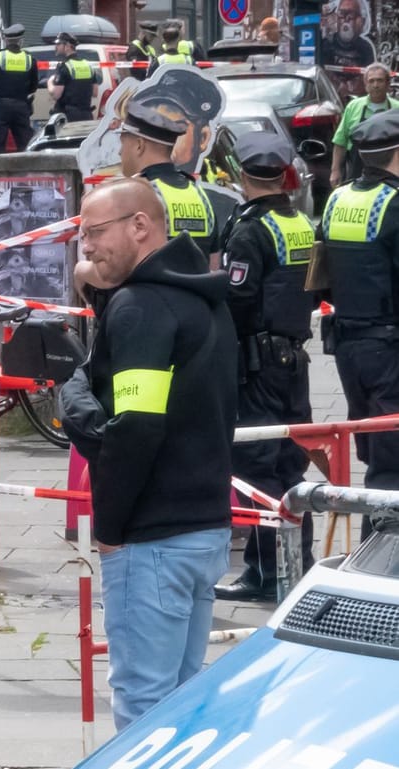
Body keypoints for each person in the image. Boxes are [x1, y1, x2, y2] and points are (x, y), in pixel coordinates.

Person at [60, 177, 235, 730]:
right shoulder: (203, 296)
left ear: (140, 226)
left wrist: (109, 526)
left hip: (152, 537)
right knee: (183, 708)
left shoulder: (140, 307)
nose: (85, 247)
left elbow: (135, 426)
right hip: (205, 528)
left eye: (93, 232)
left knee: (142, 710)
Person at [214, 134, 317, 603]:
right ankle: (301, 564)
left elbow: (237, 298)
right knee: (290, 462)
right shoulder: (297, 221)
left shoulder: (250, 229)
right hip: (294, 356)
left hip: (257, 362)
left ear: (241, 175)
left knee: (256, 465)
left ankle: (266, 573)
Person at [317, 111, 399, 543]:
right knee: (392, 463)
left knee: (373, 452)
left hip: (349, 346)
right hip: (389, 348)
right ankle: (380, 559)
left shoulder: (338, 199)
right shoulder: (396, 204)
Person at [117, 99, 230, 266]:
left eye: (123, 144)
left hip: (151, 291)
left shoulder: (136, 195)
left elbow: (118, 266)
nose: (120, 152)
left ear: (139, 145)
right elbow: (213, 265)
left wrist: (82, 272)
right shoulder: (200, 195)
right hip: (197, 292)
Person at [331, 64, 398, 187]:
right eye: (371, 81)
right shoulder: (353, 106)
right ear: (365, 84)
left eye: (380, 80)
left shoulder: (396, 108)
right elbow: (340, 141)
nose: (375, 85)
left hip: (390, 173)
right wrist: (335, 170)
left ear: (388, 83)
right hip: (356, 170)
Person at [0, 24, 38, 153]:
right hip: (22, 105)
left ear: (6, 41)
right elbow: (33, 86)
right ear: (21, 41)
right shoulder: (30, 59)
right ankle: (25, 170)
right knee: (25, 143)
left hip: (2, 105)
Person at [320, 0, 375, 101]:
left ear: (360, 20)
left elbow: (367, 79)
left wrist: (349, 88)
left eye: (351, 14)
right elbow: (323, 74)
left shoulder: (365, 48)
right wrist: (338, 85)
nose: (346, 19)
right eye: (342, 14)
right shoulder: (327, 44)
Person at [49, 32, 102, 122]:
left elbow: (56, 95)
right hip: (86, 115)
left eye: (59, 44)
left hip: (68, 117)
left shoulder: (65, 66)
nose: (56, 47)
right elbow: (95, 93)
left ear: (67, 46)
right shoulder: (88, 66)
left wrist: (49, 83)